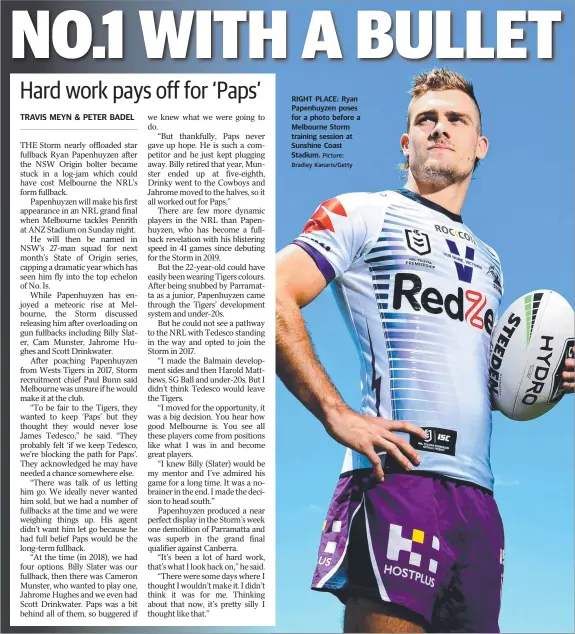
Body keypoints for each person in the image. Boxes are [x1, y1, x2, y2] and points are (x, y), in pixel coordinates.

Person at [276, 68, 574, 633]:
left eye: (456, 119)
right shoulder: (364, 213)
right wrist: (337, 413)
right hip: (398, 480)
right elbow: (272, 294)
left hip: (479, 500)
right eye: (425, 119)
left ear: (479, 145)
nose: (441, 128)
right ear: (405, 142)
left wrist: (545, 376)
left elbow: (486, 381)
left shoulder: (490, 261)